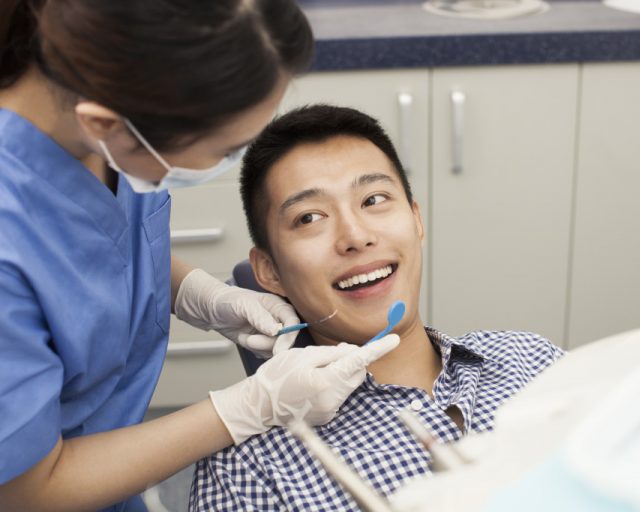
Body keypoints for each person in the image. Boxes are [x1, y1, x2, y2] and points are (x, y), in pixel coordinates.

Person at [0, 2, 399, 511]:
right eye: (225, 149)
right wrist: (247, 409)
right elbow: (24, 490)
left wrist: (199, 294)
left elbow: (99, 250)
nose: (357, 238)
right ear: (105, 124)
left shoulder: (104, 115)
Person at [191, 105, 565, 510]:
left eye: (373, 199)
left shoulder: (532, 360)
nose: (355, 236)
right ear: (269, 271)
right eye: (310, 217)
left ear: (416, 221)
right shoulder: (250, 469)